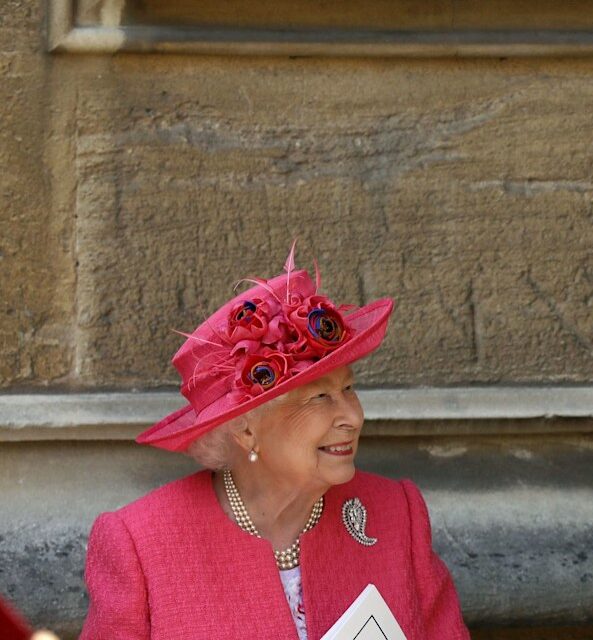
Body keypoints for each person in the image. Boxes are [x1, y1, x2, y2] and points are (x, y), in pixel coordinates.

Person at [81, 247, 470, 639]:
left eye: (348, 388)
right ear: (246, 430)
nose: (352, 416)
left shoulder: (396, 514)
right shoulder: (141, 545)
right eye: (319, 397)